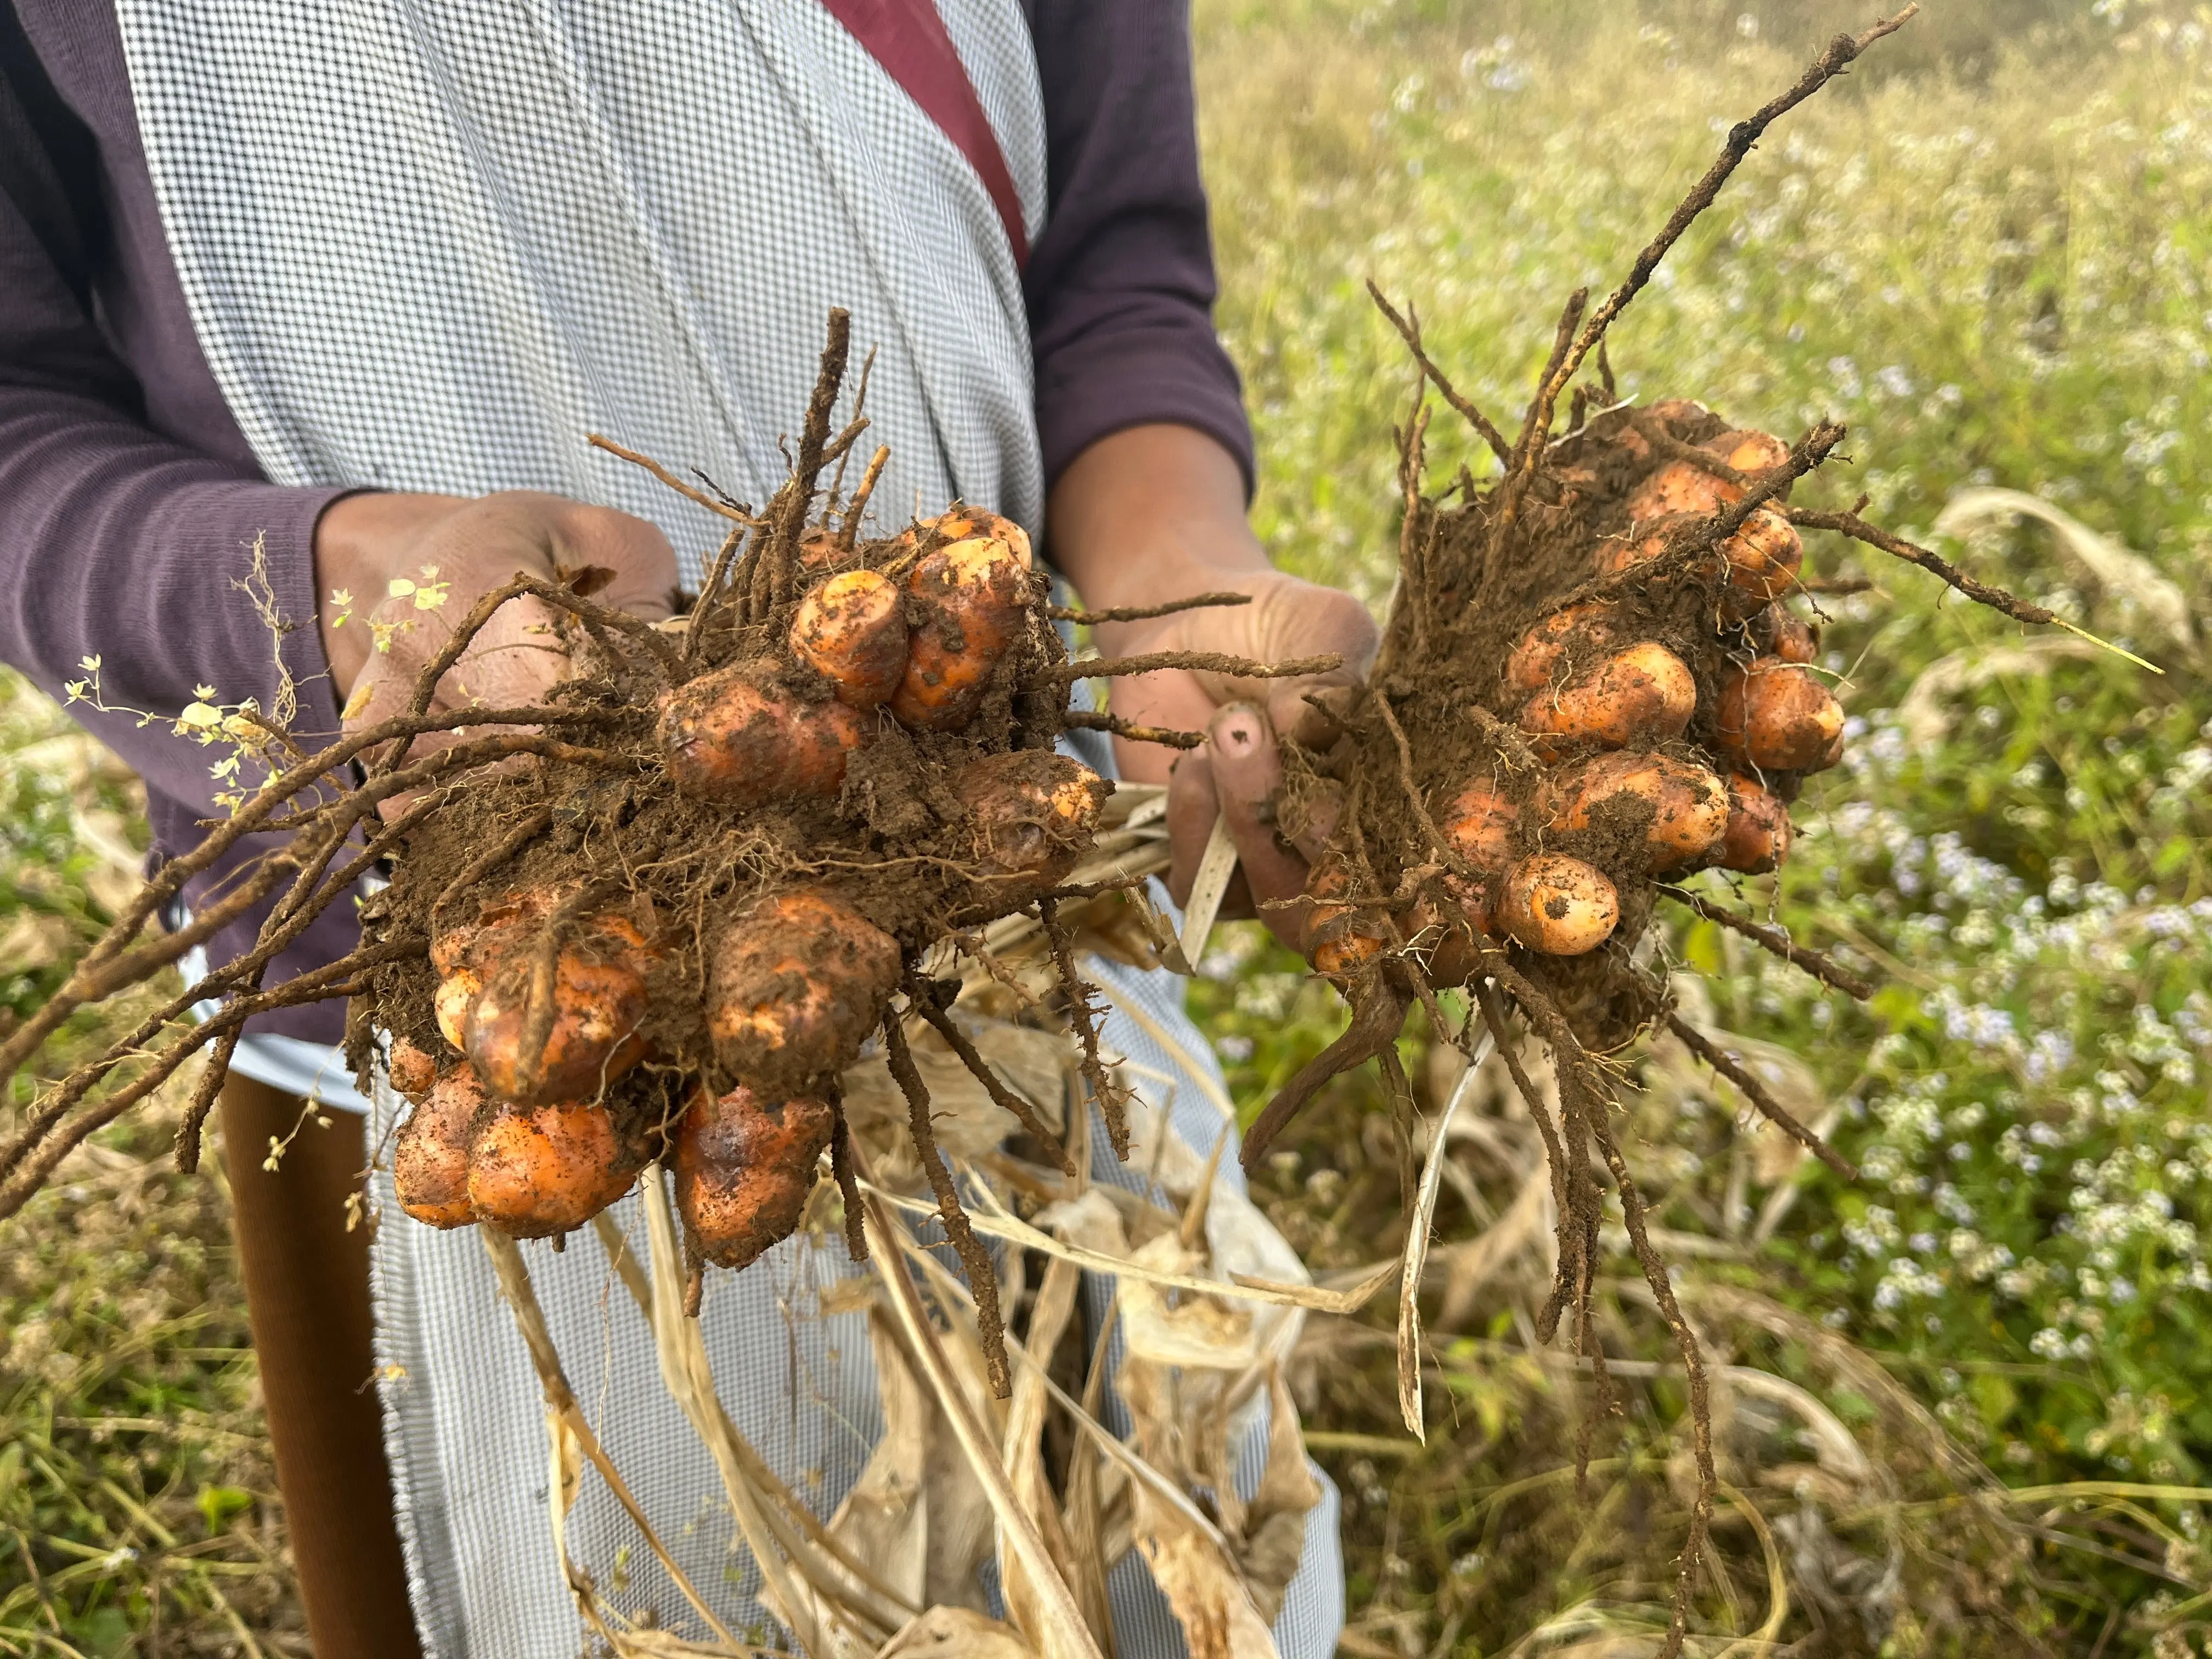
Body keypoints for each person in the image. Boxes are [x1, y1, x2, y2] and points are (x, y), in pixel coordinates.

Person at [0, 2, 1379, 1653]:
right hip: (442, 1006)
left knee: (1135, 1557)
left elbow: (1107, 261)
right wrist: (360, 586)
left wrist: (1178, 590)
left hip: (1009, 930)